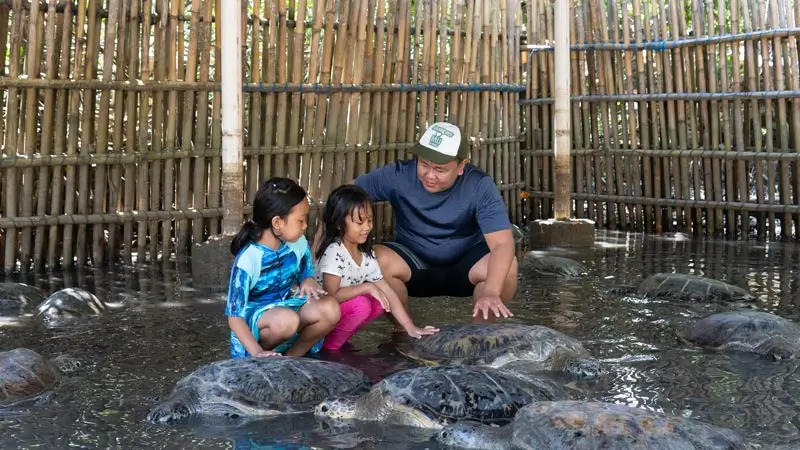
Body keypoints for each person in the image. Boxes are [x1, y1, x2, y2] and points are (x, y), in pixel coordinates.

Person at [316, 121, 518, 324]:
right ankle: (404, 333)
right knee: (375, 258)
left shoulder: (480, 185)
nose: (430, 175)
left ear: (461, 166)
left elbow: (502, 244)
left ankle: (482, 334)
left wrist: (491, 291)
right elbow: (340, 201)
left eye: (440, 169)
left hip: (466, 266)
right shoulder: (398, 175)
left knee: (508, 266)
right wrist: (315, 262)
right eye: (424, 165)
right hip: (414, 263)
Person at [225, 177, 341, 358]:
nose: (305, 226)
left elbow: (306, 272)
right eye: (300, 220)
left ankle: (291, 358)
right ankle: (263, 357)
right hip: (257, 324)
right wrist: (257, 352)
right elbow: (234, 317)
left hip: (286, 308)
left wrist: (308, 279)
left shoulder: (298, 243)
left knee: (330, 308)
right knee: (287, 320)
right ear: (277, 223)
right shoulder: (248, 259)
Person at [314, 184, 439, 351]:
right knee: (363, 303)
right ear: (338, 224)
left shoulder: (366, 256)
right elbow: (331, 296)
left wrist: (411, 327)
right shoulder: (334, 252)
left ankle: (338, 340)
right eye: (359, 222)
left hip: (339, 312)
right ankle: (330, 348)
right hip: (321, 314)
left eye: (369, 220)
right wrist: (367, 287)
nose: (367, 227)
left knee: (381, 301)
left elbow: (389, 293)